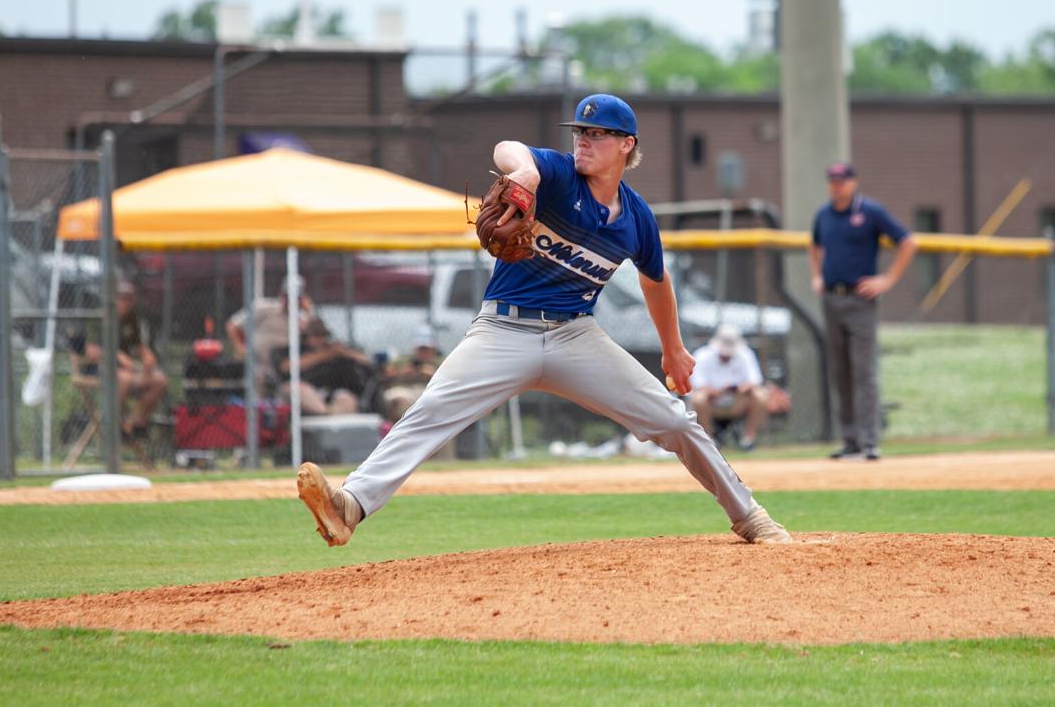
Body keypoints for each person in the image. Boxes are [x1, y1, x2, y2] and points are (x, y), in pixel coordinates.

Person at [297, 93, 791, 547]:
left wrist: (673, 348)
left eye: (597, 134)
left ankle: (750, 516)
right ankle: (349, 505)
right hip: (503, 330)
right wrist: (525, 174)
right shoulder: (556, 174)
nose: (584, 141)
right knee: (431, 411)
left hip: (575, 335)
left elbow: (656, 281)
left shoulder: (637, 218)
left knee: (673, 420)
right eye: (580, 132)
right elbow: (506, 147)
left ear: (626, 145)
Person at [808, 162, 917, 461]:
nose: (837, 185)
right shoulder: (824, 214)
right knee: (840, 371)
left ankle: (870, 441)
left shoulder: (870, 212)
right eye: (832, 180)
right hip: (832, 297)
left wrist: (888, 280)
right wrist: (816, 275)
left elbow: (907, 242)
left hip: (860, 300)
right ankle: (850, 440)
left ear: (853, 182)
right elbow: (814, 245)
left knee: (863, 371)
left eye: (842, 180)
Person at [79, 279, 168, 443]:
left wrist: (148, 357)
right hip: (99, 370)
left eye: (128, 299)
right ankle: (114, 424)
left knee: (159, 380)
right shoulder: (100, 317)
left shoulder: (131, 319)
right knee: (124, 378)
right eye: (121, 298)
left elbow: (139, 346)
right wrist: (118, 356)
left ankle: (134, 423)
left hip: (128, 371)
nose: (125, 303)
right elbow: (90, 350)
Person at [225, 274, 313, 397]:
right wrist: (240, 348)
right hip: (258, 364)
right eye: (288, 296)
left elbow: (312, 337)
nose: (291, 300)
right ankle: (255, 413)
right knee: (258, 384)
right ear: (282, 295)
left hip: (284, 369)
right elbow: (232, 325)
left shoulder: (301, 318)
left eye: (296, 297)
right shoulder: (265, 308)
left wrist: (308, 311)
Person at [689, 325, 771, 451]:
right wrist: (718, 391)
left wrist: (740, 388)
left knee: (761, 395)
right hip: (712, 404)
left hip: (737, 402)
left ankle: (748, 440)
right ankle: (709, 441)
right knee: (698, 398)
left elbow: (755, 381)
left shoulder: (745, 355)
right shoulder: (703, 355)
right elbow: (698, 385)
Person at [271, 316, 374, 416]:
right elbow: (286, 367)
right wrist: (325, 354)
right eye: (316, 335)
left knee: (346, 399)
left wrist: (344, 353)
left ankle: (330, 418)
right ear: (305, 337)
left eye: (323, 335)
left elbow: (367, 360)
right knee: (300, 389)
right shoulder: (290, 350)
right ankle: (324, 413)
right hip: (301, 395)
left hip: (330, 394)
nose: (321, 339)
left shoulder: (336, 351)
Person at [380, 324, 444, 425]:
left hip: (430, 395)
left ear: (433, 348)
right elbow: (385, 374)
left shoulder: (442, 362)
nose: (423, 352)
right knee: (397, 400)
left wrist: (433, 374)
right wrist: (403, 373)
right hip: (405, 394)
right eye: (421, 348)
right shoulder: (404, 360)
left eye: (426, 348)